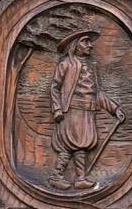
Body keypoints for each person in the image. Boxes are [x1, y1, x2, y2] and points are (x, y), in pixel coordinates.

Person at [49, 29, 123, 189]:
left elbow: (98, 93)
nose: (90, 45)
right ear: (75, 45)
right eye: (85, 41)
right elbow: (55, 88)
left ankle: (80, 179)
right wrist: (57, 109)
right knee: (69, 143)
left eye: (90, 42)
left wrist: (114, 108)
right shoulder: (66, 64)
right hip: (72, 110)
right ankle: (56, 176)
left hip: (88, 111)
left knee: (83, 143)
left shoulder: (91, 66)